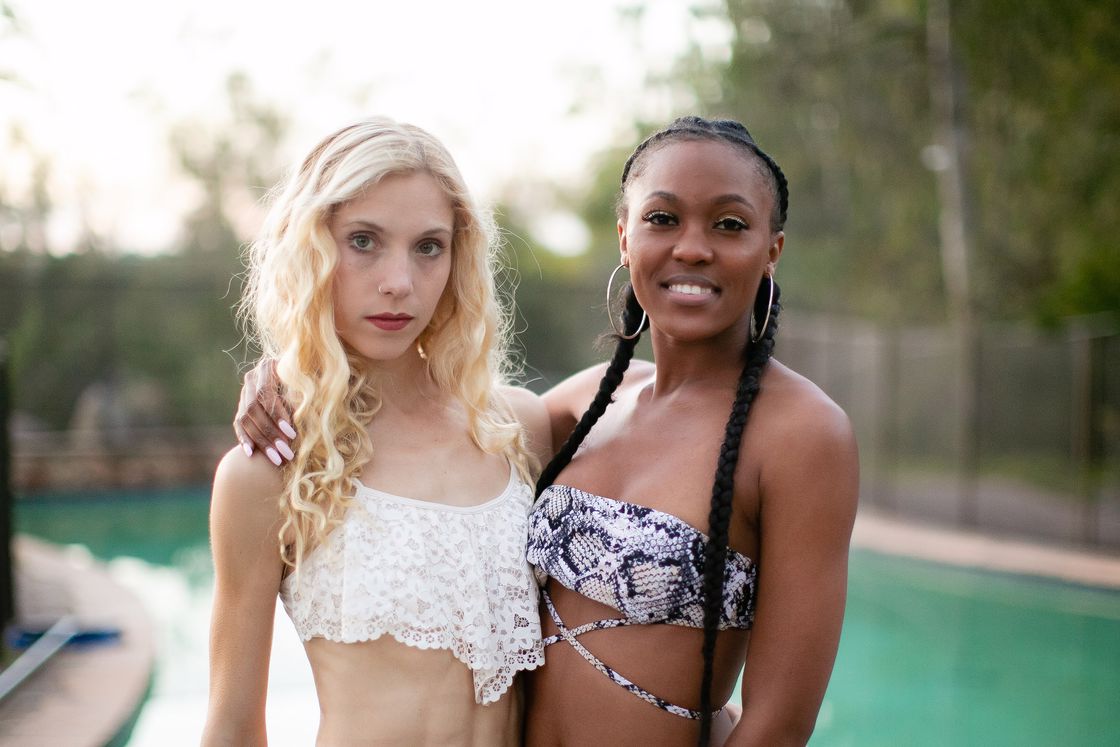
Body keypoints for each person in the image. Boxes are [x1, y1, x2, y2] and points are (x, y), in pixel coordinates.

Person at [237, 115, 858, 746]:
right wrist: (284, 373)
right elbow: (421, 414)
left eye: (729, 224)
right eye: (663, 218)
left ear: (771, 247)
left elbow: (778, 727)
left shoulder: (800, 435)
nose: (692, 248)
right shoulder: (585, 406)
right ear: (625, 237)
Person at [204, 117, 551, 747]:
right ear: (311, 248)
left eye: (428, 246)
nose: (399, 281)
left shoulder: (514, 427)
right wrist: (284, 369)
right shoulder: (272, 469)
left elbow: (654, 393)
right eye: (363, 240)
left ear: (458, 257)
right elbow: (232, 726)